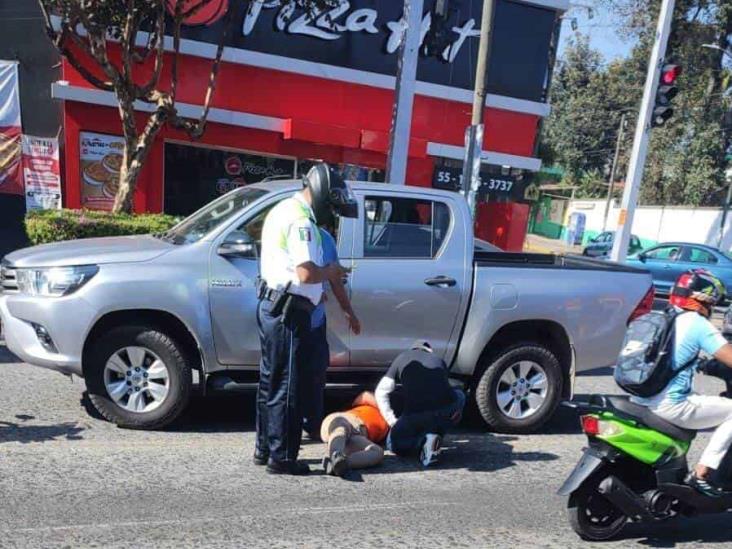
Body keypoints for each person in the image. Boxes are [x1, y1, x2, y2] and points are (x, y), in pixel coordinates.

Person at [254, 163, 357, 475]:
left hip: (273, 305)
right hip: (290, 312)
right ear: (324, 196)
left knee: (270, 382)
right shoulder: (303, 222)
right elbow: (306, 272)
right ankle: (282, 457)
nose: (331, 214)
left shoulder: (282, 208)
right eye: (331, 207)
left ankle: (264, 448)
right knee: (287, 386)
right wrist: (332, 273)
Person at [634, 269, 732, 496]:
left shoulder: (661, 317)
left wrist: (703, 365)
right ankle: (701, 473)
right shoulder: (698, 324)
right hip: (670, 404)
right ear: (704, 300)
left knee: (701, 399)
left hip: (640, 397)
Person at [302, 224, 361, 441]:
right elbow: (332, 276)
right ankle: (299, 428)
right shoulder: (313, 234)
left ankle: (309, 425)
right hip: (300, 319)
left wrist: (348, 312)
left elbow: (335, 278)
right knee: (307, 375)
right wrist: (348, 313)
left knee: (312, 373)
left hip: (309, 319)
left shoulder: (322, 237)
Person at [375, 341, 466, 466]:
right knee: (460, 395)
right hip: (444, 411)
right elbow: (445, 389)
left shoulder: (402, 357)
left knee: (392, 444)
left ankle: (423, 442)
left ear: (412, 349)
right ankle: (433, 436)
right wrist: (458, 410)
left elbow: (381, 392)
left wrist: (392, 421)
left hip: (414, 414)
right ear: (429, 350)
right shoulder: (439, 360)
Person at [320, 391, 388, 477]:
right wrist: (385, 409)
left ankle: (340, 464)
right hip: (347, 419)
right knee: (341, 428)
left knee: (378, 452)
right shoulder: (374, 403)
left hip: (359, 435)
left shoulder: (392, 422)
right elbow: (365, 395)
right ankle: (335, 454)